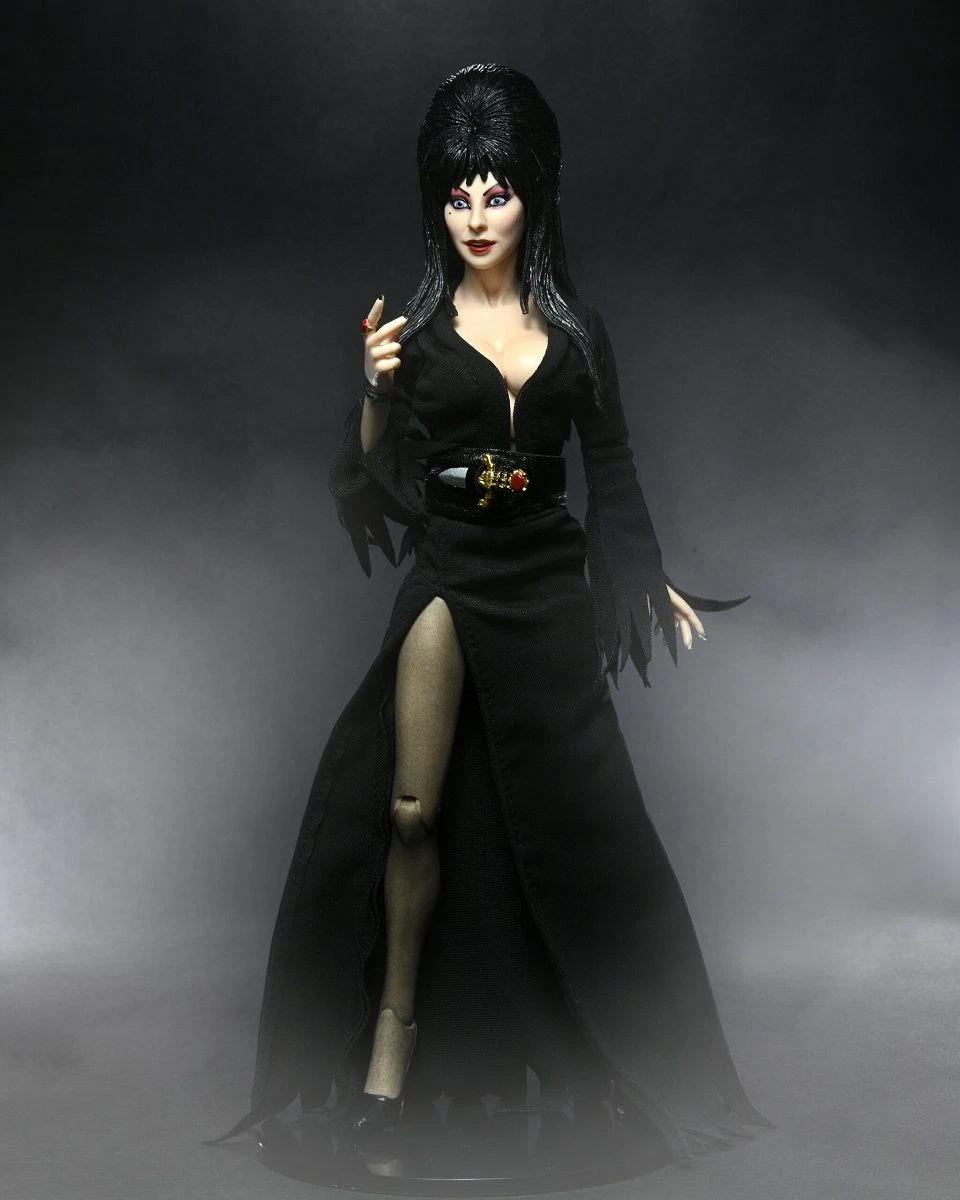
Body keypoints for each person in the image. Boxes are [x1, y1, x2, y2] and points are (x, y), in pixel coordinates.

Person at [210, 62, 771, 1167]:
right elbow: (369, 481)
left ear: (533, 197)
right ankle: (390, 1045)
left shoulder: (579, 332)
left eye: (496, 192)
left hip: (546, 577)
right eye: (457, 194)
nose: (475, 215)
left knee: (561, 817)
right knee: (411, 809)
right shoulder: (417, 332)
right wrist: (374, 397)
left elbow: (613, 468)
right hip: (453, 566)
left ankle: (589, 1054)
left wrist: (640, 575)